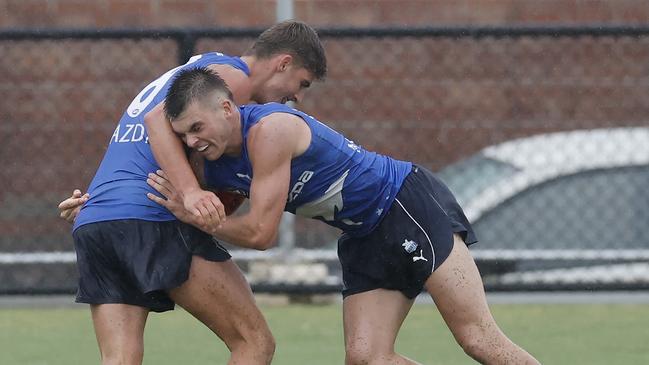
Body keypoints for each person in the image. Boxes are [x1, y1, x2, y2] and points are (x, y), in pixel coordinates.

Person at [143, 67, 541, 365]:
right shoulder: (211, 165)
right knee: (366, 359)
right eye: (183, 135)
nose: (192, 141)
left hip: (406, 204)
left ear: (228, 109)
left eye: (197, 127)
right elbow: (161, 179)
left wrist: (200, 216)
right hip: (362, 234)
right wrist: (94, 202)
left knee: (478, 339)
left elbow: (262, 234)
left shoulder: (269, 130)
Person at [61, 21, 327, 365]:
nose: (298, 97)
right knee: (254, 343)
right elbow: (157, 119)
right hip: (151, 215)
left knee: (119, 358)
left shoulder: (201, 69)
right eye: (302, 83)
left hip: (96, 217)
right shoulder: (234, 79)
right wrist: (190, 192)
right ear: (283, 63)